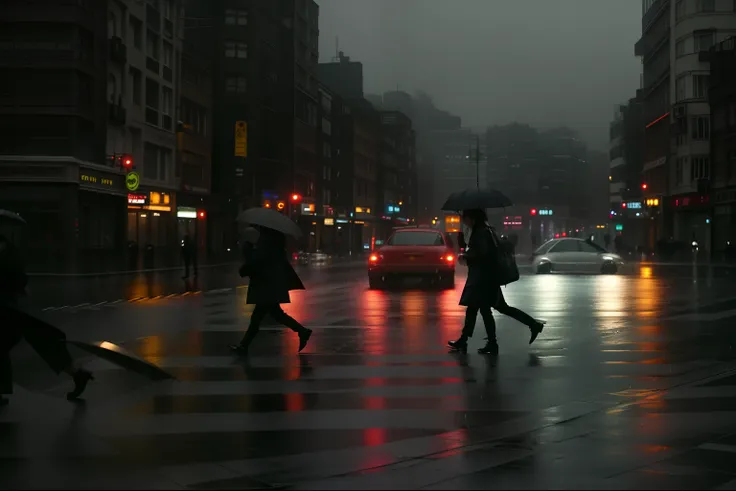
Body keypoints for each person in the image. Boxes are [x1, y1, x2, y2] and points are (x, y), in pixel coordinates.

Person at [0, 234, 93, 406]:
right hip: (10, 309)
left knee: (37, 338)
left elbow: (18, 278)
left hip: (6, 310)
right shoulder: (9, 250)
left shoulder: (7, 253)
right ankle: (76, 373)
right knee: (39, 338)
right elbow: (20, 278)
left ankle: (76, 373)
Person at [448, 209, 544, 355]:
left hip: (483, 279)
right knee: (481, 308)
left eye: (465, 217)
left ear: (473, 218)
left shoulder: (481, 232)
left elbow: (483, 253)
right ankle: (467, 340)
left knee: (484, 310)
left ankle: (487, 342)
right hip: (485, 278)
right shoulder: (484, 230)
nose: (463, 221)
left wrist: (467, 256)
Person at [231, 226, 312, 355]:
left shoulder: (266, 245)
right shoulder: (275, 245)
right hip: (271, 286)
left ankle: (243, 346)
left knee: (257, 318)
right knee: (276, 315)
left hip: (266, 287)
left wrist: (247, 251)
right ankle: (302, 331)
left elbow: (257, 263)